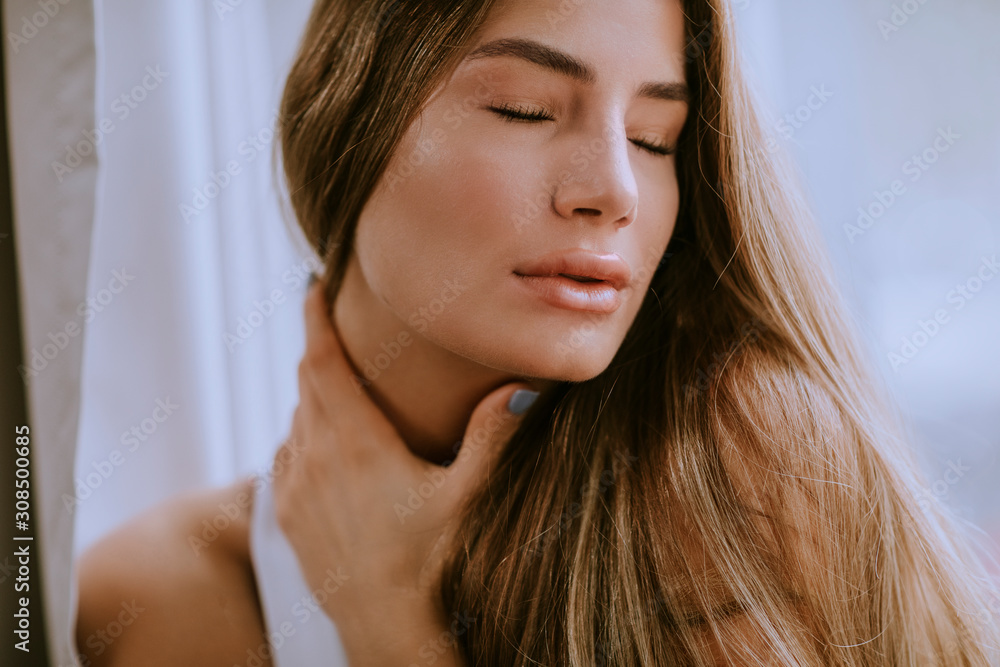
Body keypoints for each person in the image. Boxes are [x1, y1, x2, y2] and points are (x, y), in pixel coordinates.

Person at [75, 0, 1000, 664]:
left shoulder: (740, 464)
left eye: (655, 137)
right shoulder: (145, 600)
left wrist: (392, 626)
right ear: (347, 120)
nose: (614, 190)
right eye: (524, 109)